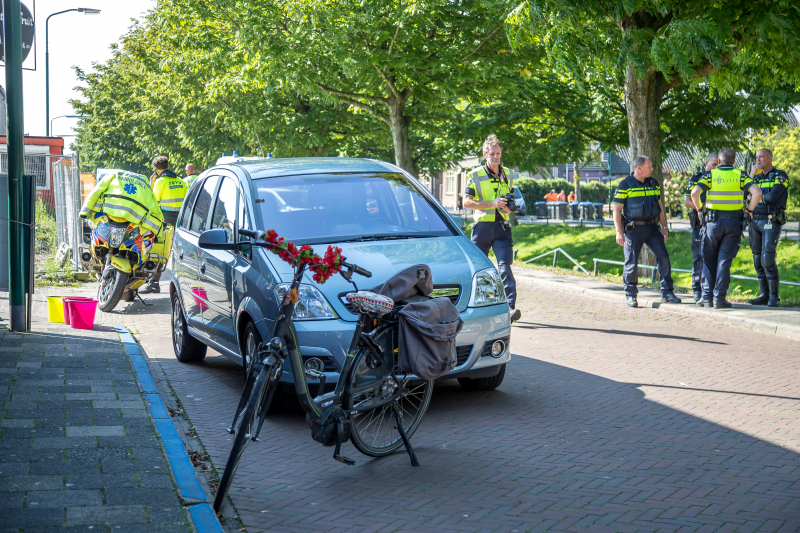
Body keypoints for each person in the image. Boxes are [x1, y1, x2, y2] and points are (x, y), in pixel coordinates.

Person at [691, 148, 762, 308]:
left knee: (708, 261)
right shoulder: (740, 175)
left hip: (712, 224)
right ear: (734, 161)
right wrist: (749, 211)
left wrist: (699, 209)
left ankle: (707, 298)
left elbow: (695, 192)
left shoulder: (711, 175)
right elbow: (757, 192)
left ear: (719, 161)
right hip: (733, 224)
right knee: (724, 261)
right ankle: (719, 299)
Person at [463, 134, 521, 323]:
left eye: (498, 153)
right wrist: (492, 203)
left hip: (502, 226)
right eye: (492, 154)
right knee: (481, 269)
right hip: (482, 228)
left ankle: (510, 307)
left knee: (504, 266)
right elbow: (466, 202)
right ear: (485, 154)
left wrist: (509, 207)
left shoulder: (508, 174)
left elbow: (512, 201)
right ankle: (484, 306)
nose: (496, 157)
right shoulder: (475, 175)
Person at [611, 155, 681, 308]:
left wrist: (664, 226)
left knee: (663, 257)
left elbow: (659, 206)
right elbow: (616, 210)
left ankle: (667, 292)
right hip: (633, 229)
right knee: (631, 262)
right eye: (649, 166)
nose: (652, 169)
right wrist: (619, 232)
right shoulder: (625, 185)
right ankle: (631, 294)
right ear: (639, 168)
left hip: (652, 228)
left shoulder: (653, 183)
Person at [747, 148, 789, 307]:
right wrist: (751, 173)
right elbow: (745, 193)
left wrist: (755, 197)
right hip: (754, 222)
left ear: (770, 157)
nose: (758, 160)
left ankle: (773, 297)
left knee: (767, 259)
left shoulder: (780, 176)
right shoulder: (755, 178)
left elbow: (772, 197)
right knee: (757, 260)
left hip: (771, 221)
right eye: (756, 157)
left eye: (761, 157)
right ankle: (764, 294)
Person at [141, 156, 187, 294]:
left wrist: (151, 185)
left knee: (159, 251)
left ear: (156, 169)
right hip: (180, 221)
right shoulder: (181, 181)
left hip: (165, 221)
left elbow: (153, 202)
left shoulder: (160, 182)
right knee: (180, 254)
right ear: (167, 166)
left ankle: (154, 284)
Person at [79, 170, 164, 240]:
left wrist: (84, 211)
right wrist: (160, 226)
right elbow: (153, 204)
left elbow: (96, 191)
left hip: (110, 213)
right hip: (133, 220)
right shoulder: (144, 181)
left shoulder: (113, 174)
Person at [685, 152, 719, 302]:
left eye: (718, 165)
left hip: (717, 222)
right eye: (713, 165)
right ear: (706, 163)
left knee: (716, 258)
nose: (715, 168)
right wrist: (702, 208)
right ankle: (697, 290)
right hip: (700, 222)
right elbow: (687, 202)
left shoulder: (721, 177)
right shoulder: (696, 177)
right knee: (698, 257)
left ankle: (711, 291)